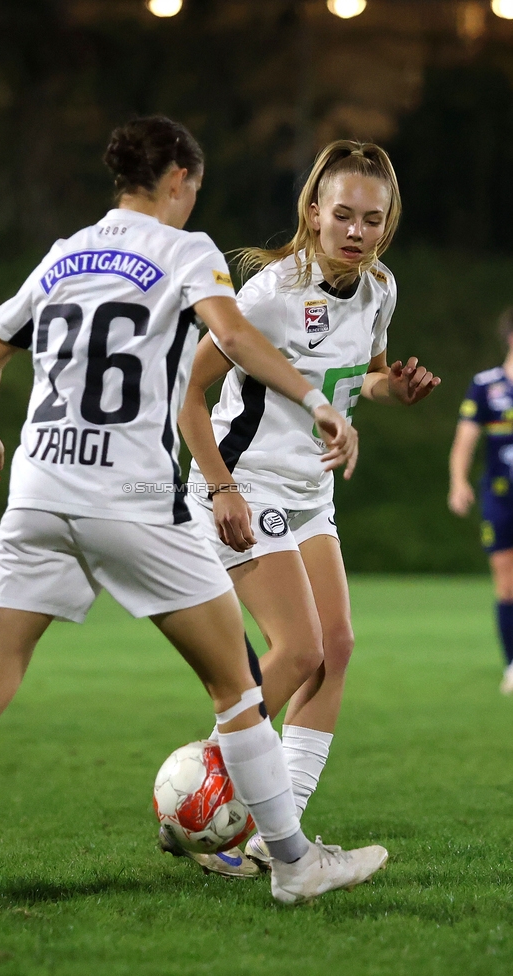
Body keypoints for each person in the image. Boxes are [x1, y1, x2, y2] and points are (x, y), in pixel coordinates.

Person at [0, 116, 386, 924]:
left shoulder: (65, 251)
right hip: (135, 501)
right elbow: (235, 335)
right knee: (239, 688)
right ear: (179, 180)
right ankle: (290, 862)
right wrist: (319, 401)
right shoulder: (188, 251)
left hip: (38, 490)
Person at [158, 139, 440, 879]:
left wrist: (394, 389)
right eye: (341, 214)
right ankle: (198, 794)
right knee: (300, 651)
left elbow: (364, 378)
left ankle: (260, 835)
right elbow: (190, 397)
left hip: (311, 497)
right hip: (245, 486)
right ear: (313, 214)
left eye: (371, 219)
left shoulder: (379, 287)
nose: (356, 230)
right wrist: (218, 486)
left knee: (335, 650)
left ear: (387, 224)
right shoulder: (269, 296)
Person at [449, 309, 513, 694]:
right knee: (507, 582)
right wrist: (458, 482)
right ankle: (511, 664)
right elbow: (464, 441)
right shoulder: (487, 385)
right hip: (501, 498)